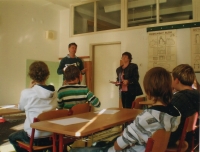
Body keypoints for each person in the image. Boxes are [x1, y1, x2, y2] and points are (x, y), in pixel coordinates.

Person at [69, 67, 181, 152]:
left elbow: (118, 145)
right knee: (100, 143)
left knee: (78, 150)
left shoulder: (146, 117)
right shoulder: (174, 113)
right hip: (142, 148)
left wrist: (118, 142)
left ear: (149, 91)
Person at [9, 61, 57, 152]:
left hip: (34, 137)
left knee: (12, 137)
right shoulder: (54, 93)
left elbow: (21, 108)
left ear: (31, 76)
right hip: (51, 136)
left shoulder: (27, 92)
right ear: (47, 75)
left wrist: (29, 88)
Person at [168, 64, 200, 147]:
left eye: (172, 77)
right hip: (190, 137)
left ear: (177, 80)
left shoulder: (178, 98)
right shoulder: (197, 93)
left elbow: (167, 118)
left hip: (174, 139)